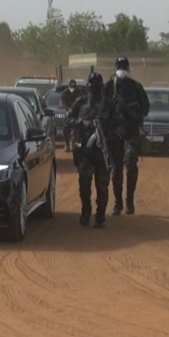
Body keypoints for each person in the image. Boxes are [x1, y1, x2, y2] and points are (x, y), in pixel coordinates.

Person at [67, 72, 126, 228]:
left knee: (102, 186)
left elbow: (121, 126)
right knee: (84, 185)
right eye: (92, 84)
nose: (94, 88)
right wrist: (83, 123)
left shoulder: (110, 105)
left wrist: (110, 136)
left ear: (101, 86)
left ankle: (100, 216)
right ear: (88, 86)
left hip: (102, 151)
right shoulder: (80, 103)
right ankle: (86, 213)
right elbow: (67, 119)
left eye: (97, 85)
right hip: (85, 151)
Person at [103, 56, 149, 216]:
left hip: (131, 133)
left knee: (130, 164)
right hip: (114, 135)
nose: (121, 69)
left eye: (124, 66)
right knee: (116, 168)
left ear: (128, 69)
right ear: (115, 68)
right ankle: (118, 203)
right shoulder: (109, 87)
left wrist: (136, 116)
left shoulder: (136, 87)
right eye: (119, 66)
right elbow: (101, 107)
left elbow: (146, 107)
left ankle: (129, 200)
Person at [59, 79, 83, 152]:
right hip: (67, 113)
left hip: (77, 113)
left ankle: (72, 143)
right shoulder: (64, 93)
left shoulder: (79, 93)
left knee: (75, 129)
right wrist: (68, 109)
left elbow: (82, 102)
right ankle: (66, 144)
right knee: (65, 130)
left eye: (74, 87)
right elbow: (62, 104)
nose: (72, 89)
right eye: (71, 87)